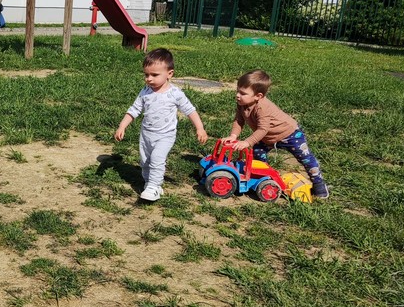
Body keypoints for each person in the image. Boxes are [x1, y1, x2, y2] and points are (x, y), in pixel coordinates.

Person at [114, 48, 208, 201]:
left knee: (157, 158)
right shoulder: (145, 91)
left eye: (154, 75)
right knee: (145, 161)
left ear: (169, 74)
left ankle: (153, 186)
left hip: (165, 135)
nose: (149, 79)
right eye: (146, 75)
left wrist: (200, 128)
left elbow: (190, 110)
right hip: (146, 134)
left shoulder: (175, 94)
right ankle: (150, 183)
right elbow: (134, 109)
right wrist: (122, 126)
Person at [223, 69, 329, 199]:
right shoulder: (241, 104)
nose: (238, 95)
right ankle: (261, 178)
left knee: (306, 158)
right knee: (257, 153)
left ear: (258, 96)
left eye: (243, 93)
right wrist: (233, 136)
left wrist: (247, 142)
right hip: (268, 138)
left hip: (290, 134)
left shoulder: (262, 107)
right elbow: (238, 121)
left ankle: (319, 184)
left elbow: (263, 129)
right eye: (237, 91)